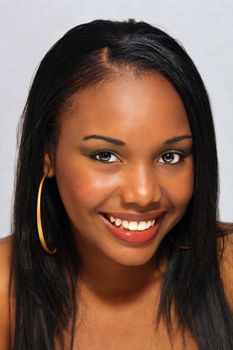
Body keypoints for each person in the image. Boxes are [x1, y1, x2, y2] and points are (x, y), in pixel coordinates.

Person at [0, 19, 232, 350]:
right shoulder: (6, 288)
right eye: (106, 155)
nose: (143, 194)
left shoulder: (227, 268)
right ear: (47, 154)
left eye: (170, 156)